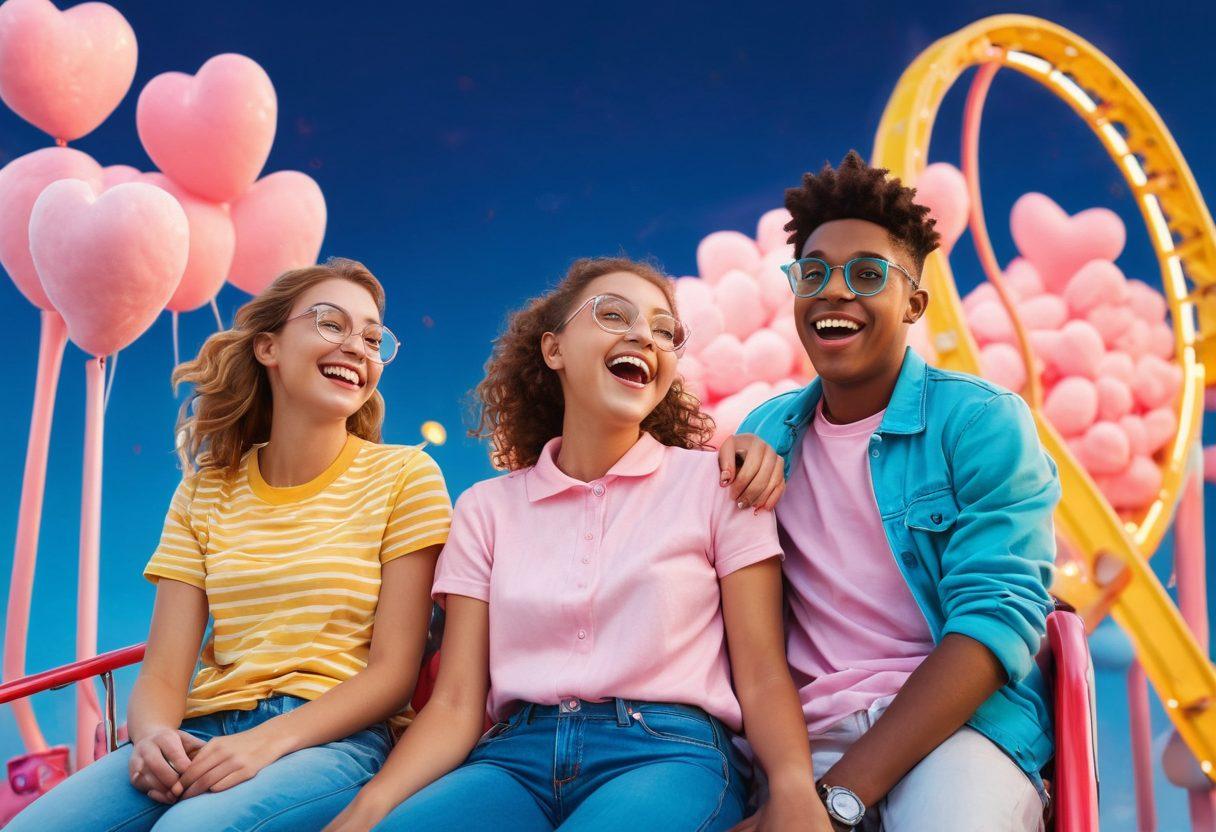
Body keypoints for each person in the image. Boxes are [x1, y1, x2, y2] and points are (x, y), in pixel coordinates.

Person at [328, 256, 829, 831]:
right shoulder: (485, 510)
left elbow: (763, 671)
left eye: (665, 331)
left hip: (668, 753)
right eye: (613, 315)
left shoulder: (718, 484)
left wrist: (792, 787)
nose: (644, 335)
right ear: (554, 350)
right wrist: (366, 811)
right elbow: (456, 703)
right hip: (510, 761)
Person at [9, 258, 453, 831]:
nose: (357, 347)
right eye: (330, 323)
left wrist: (265, 744)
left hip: (334, 740)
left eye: (372, 337)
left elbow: (393, 676)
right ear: (268, 347)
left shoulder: (406, 477)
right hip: (204, 730)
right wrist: (151, 739)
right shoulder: (204, 490)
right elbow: (166, 674)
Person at [737, 152, 1060, 831]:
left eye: (865, 274)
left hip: (957, 730)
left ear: (914, 302)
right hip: (795, 738)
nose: (834, 291)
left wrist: (837, 798)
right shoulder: (765, 432)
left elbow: (995, 619)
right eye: (815, 272)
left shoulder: (980, 421)